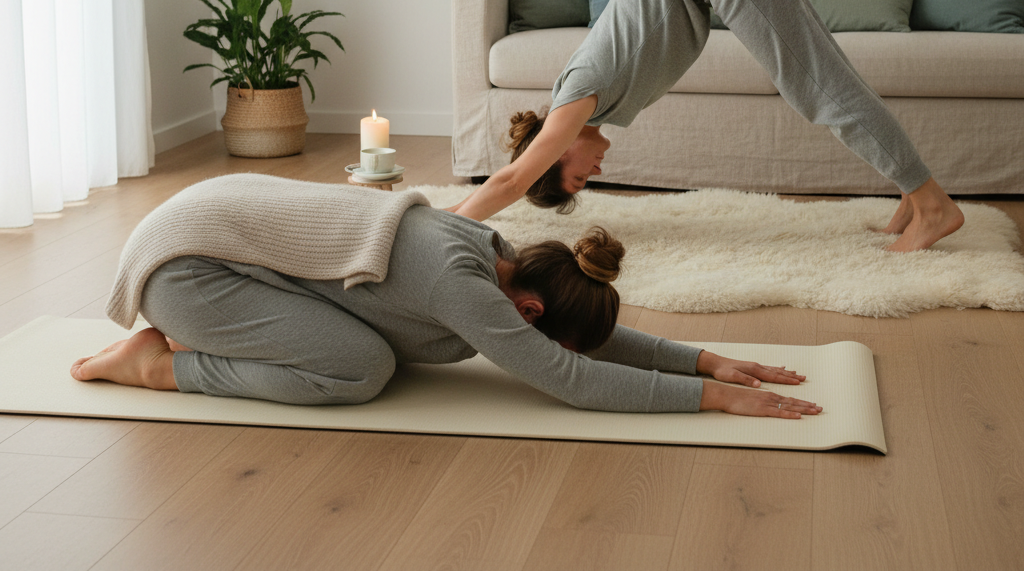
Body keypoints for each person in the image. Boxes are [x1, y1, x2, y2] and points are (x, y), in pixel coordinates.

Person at [70, 173, 821, 420]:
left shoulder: (498, 257)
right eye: (544, 334)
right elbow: (572, 376)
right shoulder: (460, 284)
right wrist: (714, 400)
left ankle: (206, 336)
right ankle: (161, 366)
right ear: (529, 312)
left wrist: (703, 360)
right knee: (359, 369)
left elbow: (577, 348)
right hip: (184, 271)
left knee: (367, 354)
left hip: (212, 241)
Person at [449, 0, 964, 253]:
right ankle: (911, 197)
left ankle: (933, 206)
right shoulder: (589, 97)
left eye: (580, 175)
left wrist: (445, 221)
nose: (596, 173)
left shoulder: (576, 98)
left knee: (819, 87)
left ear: (557, 151)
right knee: (826, 74)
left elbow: (513, 179)